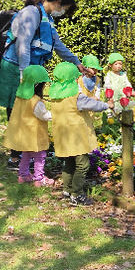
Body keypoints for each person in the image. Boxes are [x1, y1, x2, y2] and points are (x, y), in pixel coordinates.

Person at [0, 0, 91, 169]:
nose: (63, 12)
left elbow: (57, 45)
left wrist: (77, 63)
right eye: (65, 8)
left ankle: (28, 150)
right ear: (58, 2)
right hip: (17, 68)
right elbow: (23, 43)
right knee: (18, 110)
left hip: (34, 71)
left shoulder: (47, 18)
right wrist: (24, 73)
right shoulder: (31, 13)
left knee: (34, 110)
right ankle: (15, 157)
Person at [49, 62, 112, 206]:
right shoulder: (76, 97)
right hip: (77, 136)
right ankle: (77, 194)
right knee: (82, 164)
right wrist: (107, 105)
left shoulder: (55, 94)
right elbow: (93, 104)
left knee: (69, 162)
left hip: (63, 135)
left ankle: (67, 189)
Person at [3, 65, 54, 187]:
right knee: (40, 157)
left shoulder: (20, 97)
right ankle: (39, 178)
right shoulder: (35, 101)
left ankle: (23, 175)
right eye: (44, 84)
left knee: (26, 155)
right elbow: (44, 115)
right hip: (35, 136)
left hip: (24, 134)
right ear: (38, 85)